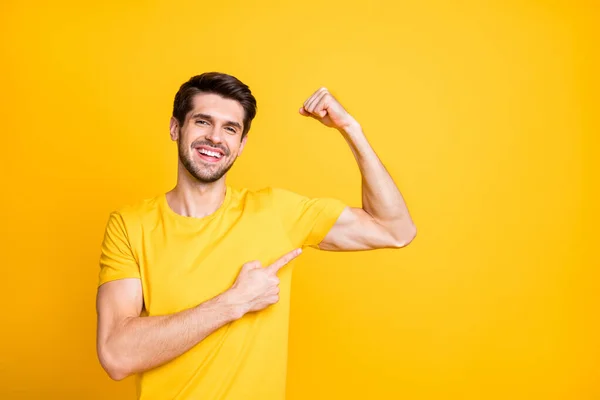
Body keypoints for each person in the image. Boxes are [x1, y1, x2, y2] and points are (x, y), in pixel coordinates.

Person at [95, 72, 417, 400]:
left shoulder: (276, 212)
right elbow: (117, 356)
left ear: (241, 144)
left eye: (230, 128)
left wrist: (351, 130)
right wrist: (233, 303)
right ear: (176, 128)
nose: (215, 138)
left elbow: (394, 229)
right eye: (203, 122)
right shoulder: (130, 225)